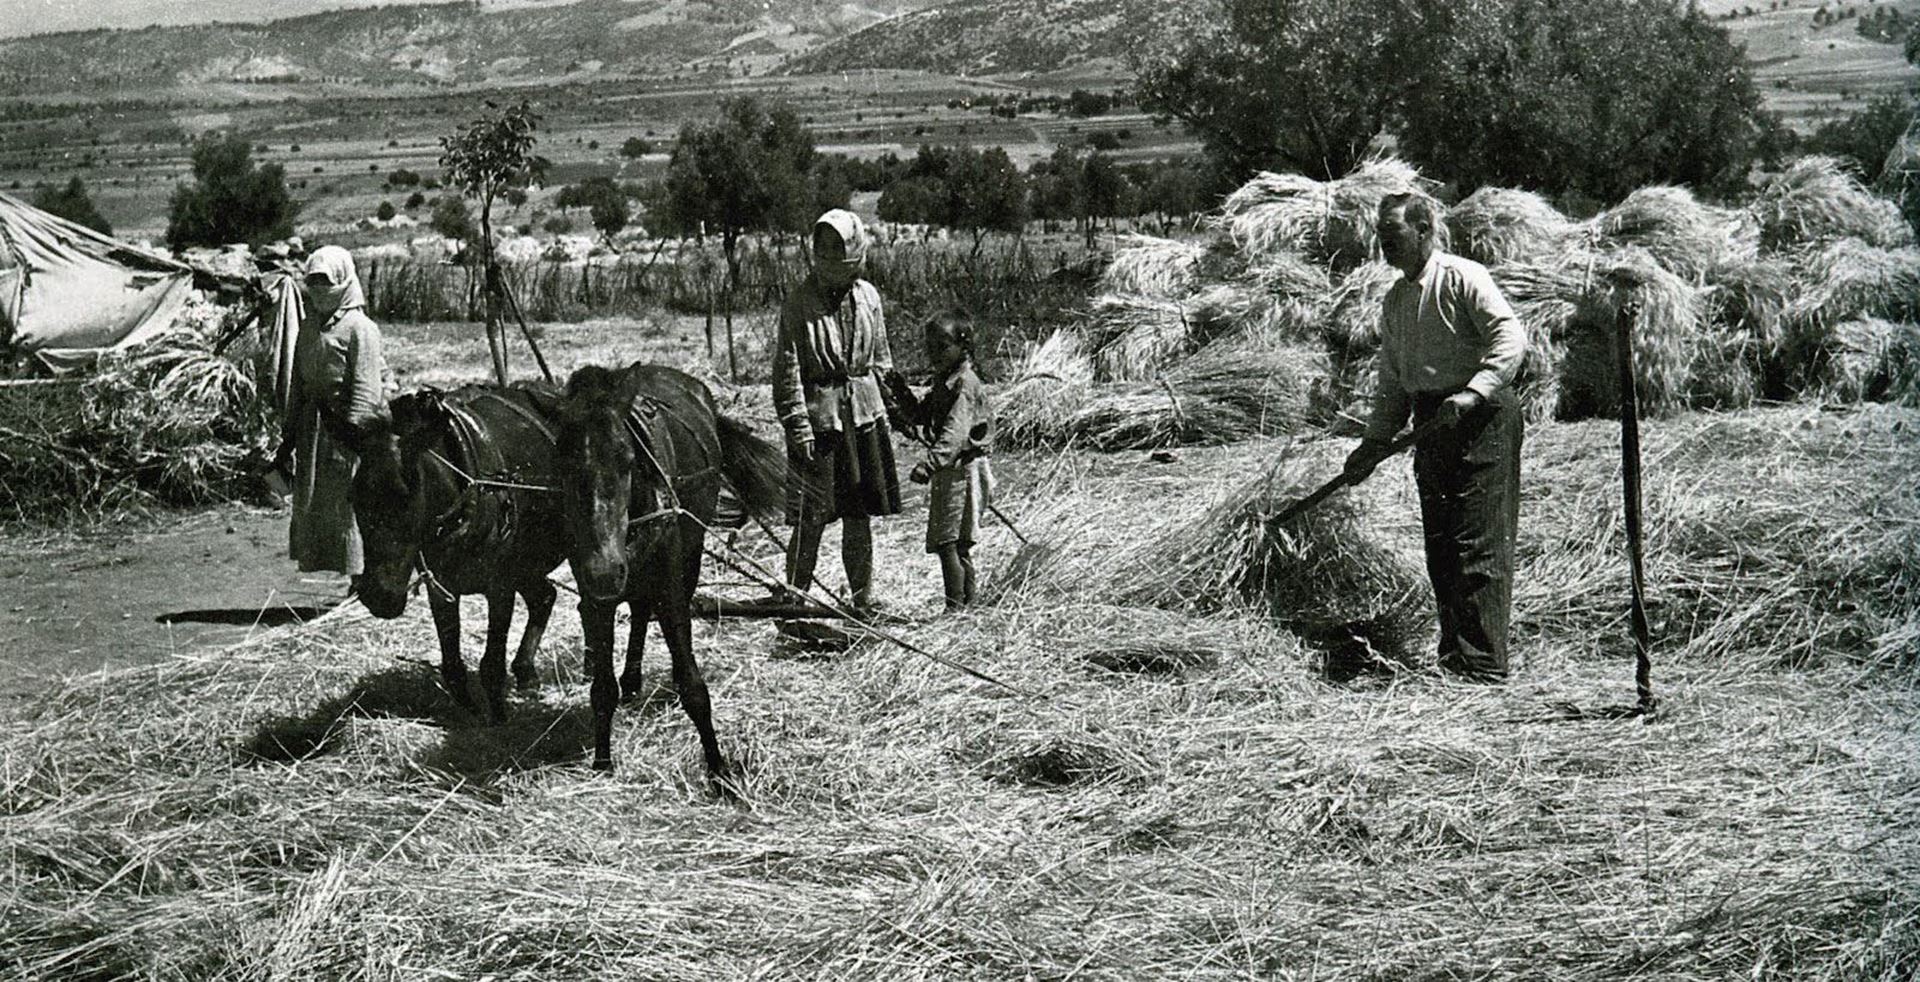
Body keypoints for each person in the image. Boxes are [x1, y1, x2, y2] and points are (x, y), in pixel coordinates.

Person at [1342, 193, 1527, 681]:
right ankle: (1456, 660)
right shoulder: (1397, 300)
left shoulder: (1463, 277)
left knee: (1477, 543)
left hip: (1481, 417)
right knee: (1441, 545)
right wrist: (1372, 445)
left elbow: (1510, 339)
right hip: (1432, 422)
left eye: (1394, 235)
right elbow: (1392, 385)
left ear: (1424, 230)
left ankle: (1484, 667)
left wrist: (1473, 392)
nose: (1385, 245)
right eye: (1380, 237)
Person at [771, 209, 902, 611]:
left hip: (863, 419)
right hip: (821, 425)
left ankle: (861, 602)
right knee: (810, 520)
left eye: (838, 246)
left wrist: (899, 410)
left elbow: (882, 361)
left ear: (855, 247)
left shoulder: (869, 298)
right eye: (822, 246)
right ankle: (794, 602)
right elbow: (787, 373)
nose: (829, 255)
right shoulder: (798, 303)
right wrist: (800, 428)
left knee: (858, 516)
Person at [272, 245, 390, 576]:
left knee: (348, 502)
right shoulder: (309, 328)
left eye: (328, 281)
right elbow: (297, 382)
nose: (321, 290)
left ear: (344, 280)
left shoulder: (359, 328)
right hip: (313, 429)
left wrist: (355, 436)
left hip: (345, 427)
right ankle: (329, 566)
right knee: (315, 501)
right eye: (314, 282)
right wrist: (290, 433)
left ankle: (361, 578)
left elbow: (366, 387)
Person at [886, 311, 995, 611]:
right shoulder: (946, 381)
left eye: (942, 347)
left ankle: (955, 608)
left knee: (948, 542)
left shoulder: (965, 385)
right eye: (930, 347)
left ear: (964, 346)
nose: (934, 354)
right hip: (954, 469)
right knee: (957, 543)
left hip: (960, 470)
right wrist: (899, 393)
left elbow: (954, 433)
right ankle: (968, 605)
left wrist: (929, 464)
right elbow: (923, 415)